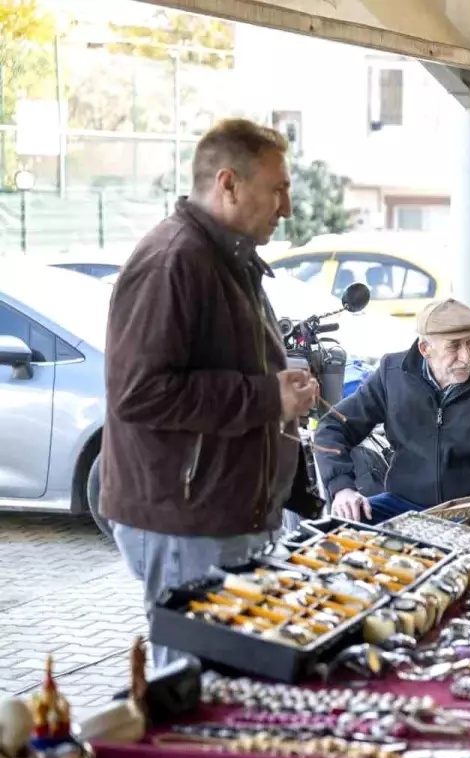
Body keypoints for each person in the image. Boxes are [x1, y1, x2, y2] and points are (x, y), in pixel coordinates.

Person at [101, 118, 319, 668]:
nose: (287, 207)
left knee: (226, 680)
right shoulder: (174, 259)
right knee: (193, 687)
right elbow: (139, 392)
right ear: (229, 184)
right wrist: (267, 398)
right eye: (278, 189)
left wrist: (276, 393)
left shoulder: (224, 257)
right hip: (185, 519)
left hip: (220, 514)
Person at [316, 298, 470, 523]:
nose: (466, 357)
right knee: (339, 527)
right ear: (425, 349)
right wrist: (342, 488)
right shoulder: (391, 373)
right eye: (454, 346)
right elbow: (332, 427)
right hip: (402, 504)